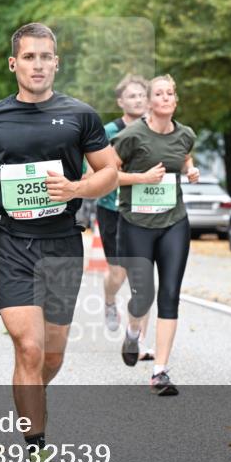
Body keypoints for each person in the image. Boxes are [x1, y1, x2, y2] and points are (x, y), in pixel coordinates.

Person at [0, 22, 117, 462]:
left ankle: (27, 400)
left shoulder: (80, 115)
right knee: (27, 347)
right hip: (11, 242)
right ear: (14, 63)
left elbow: (109, 170)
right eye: (28, 57)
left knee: (51, 355)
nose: (37, 65)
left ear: (56, 62)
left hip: (64, 242)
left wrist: (77, 187)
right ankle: (37, 454)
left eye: (45, 57)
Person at [111, 75, 199, 395]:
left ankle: (160, 371)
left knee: (170, 294)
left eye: (170, 93)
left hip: (174, 221)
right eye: (158, 94)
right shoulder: (131, 136)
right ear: (149, 102)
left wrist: (190, 170)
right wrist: (141, 177)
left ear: (175, 100)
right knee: (143, 294)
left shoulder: (185, 134)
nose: (165, 98)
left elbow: (184, 156)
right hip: (136, 222)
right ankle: (133, 334)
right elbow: (106, 175)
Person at [97, 74, 150, 336]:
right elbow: (98, 171)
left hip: (145, 209)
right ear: (121, 101)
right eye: (132, 96)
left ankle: (137, 337)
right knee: (118, 273)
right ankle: (109, 301)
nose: (138, 100)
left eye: (142, 95)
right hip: (112, 209)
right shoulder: (108, 132)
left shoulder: (155, 127)